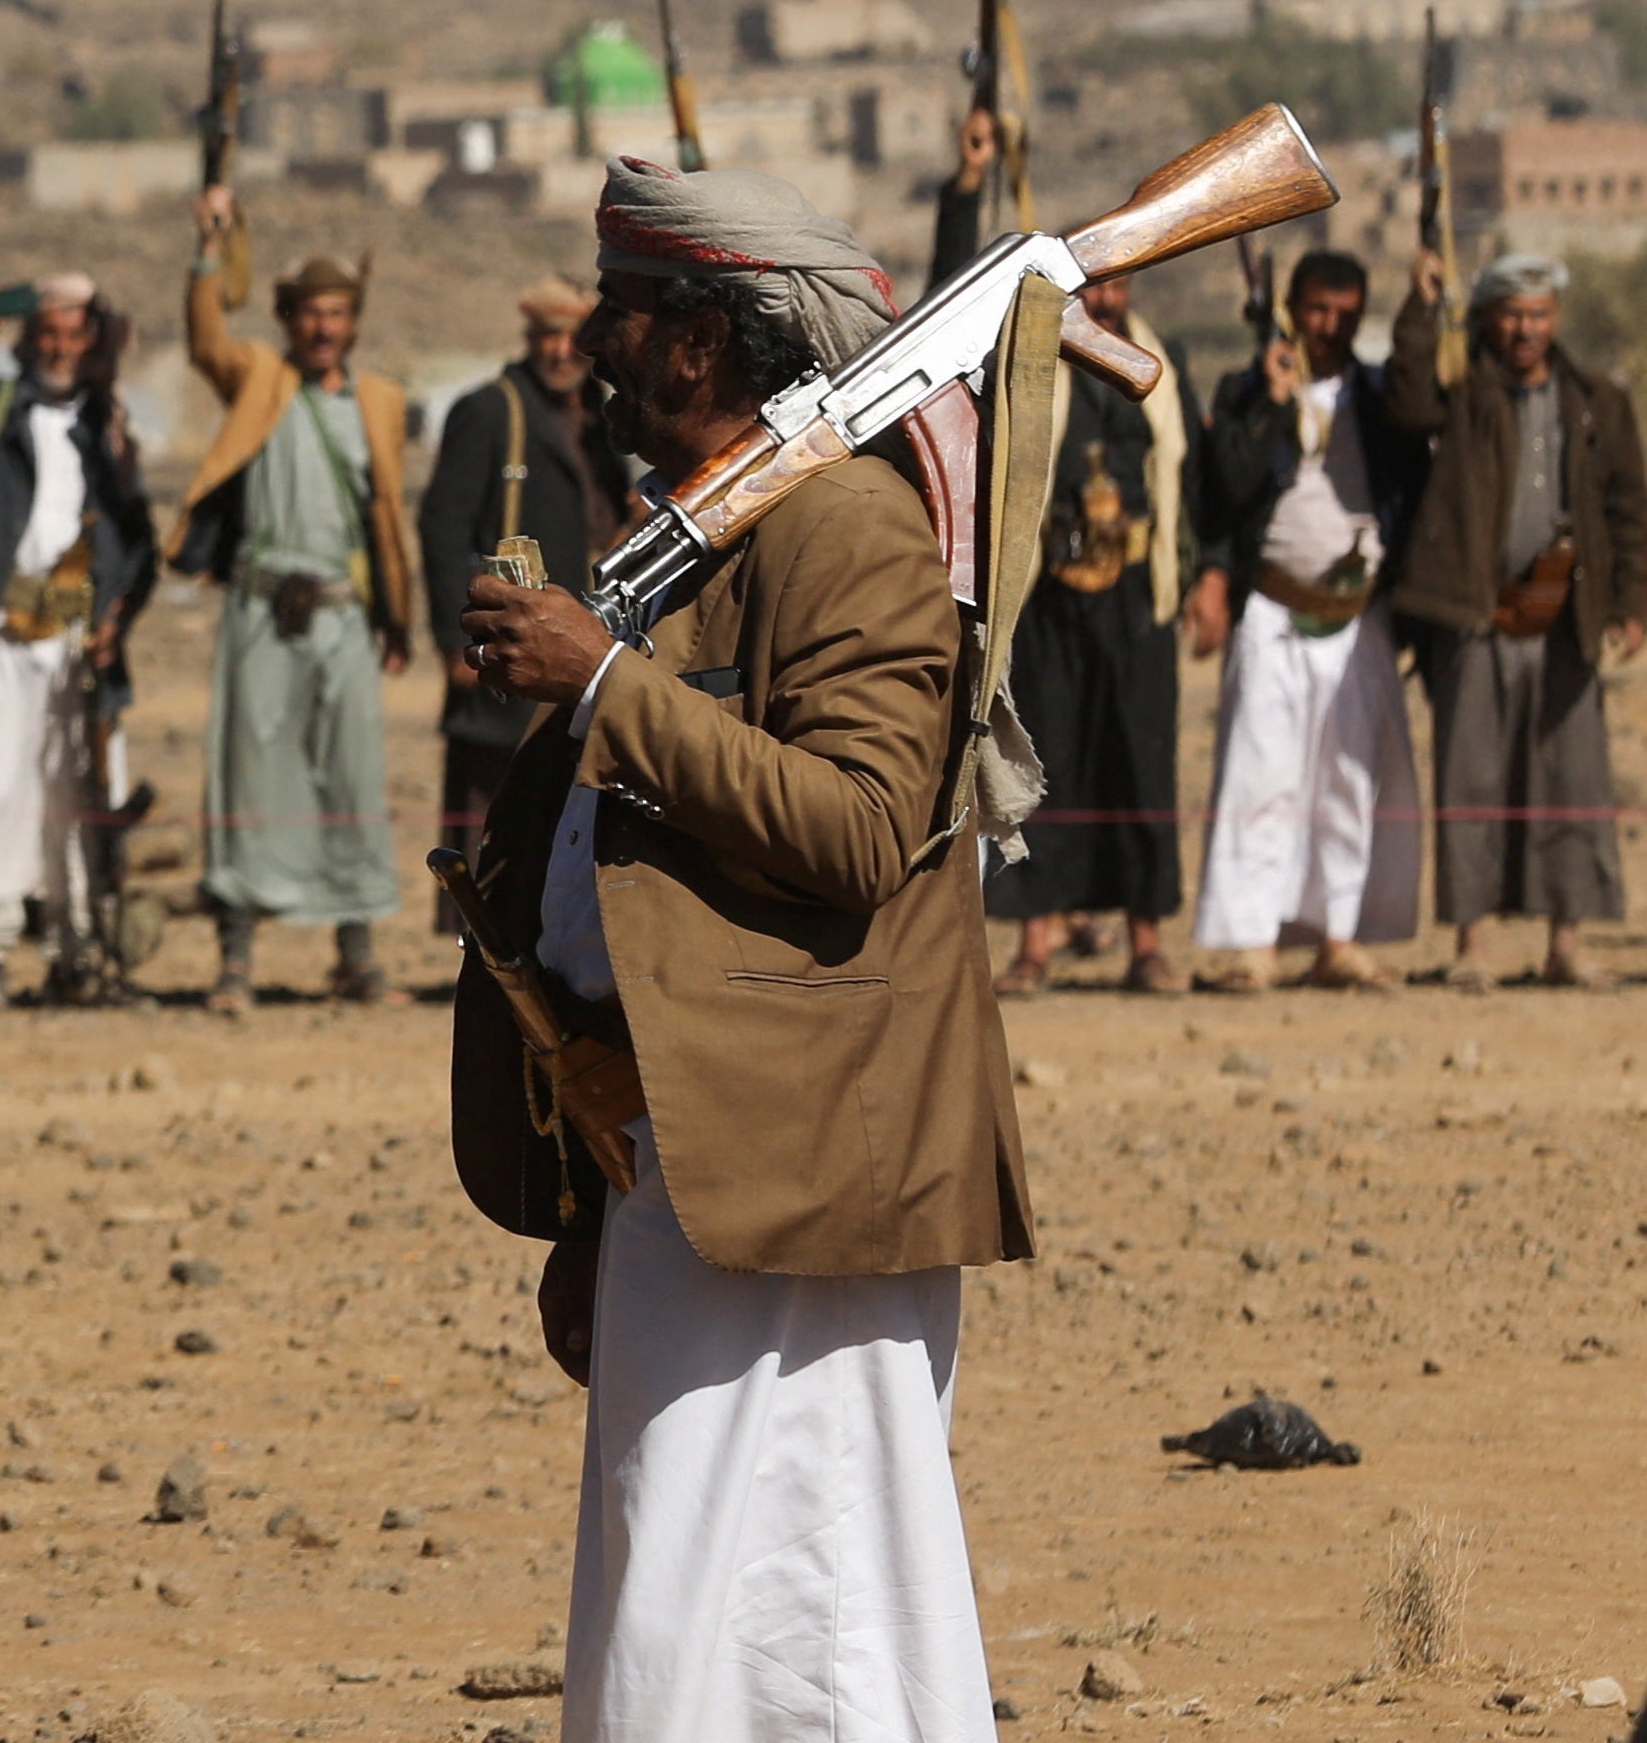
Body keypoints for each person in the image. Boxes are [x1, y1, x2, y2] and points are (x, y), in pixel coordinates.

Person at [451, 159, 1031, 1743]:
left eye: (622, 314)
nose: (594, 343)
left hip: (802, 1160)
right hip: (686, 1162)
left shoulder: (843, 530)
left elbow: (854, 827)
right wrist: (589, 1201)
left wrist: (597, 685)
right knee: (687, 1595)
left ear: (702, 341)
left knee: (810, 1600)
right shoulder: (710, 531)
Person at [175, 184, 422, 1010]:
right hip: (259, 607)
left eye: (337, 314)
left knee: (351, 779)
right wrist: (212, 249)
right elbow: (206, 338)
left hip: (342, 615)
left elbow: (386, 519)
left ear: (354, 322)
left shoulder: (379, 401)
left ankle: (356, 955)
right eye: (310, 313)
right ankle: (236, 959)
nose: (323, 327)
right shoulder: (260, 378)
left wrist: (398, 615)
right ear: (289, 320)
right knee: (248, 778)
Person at [1372, 249, 1645, 988]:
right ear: (1489, 318)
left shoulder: (1596, 402)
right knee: (1472, 778)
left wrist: (1629, 607)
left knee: (1574, 779)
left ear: (1555, 318)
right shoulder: (1462, 392)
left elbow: (1627, 512)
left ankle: (1568, 943)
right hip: (1476, 616)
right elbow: (1405, 402)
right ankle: (1475, 948)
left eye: (1539, 314)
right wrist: (1422, 308)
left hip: (1566, 620)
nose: (1526, 328)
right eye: (1512, 314)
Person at [0, 276, 156, 1007]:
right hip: (0, 636)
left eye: (75, 334)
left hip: (78, 645)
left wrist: (117, 622)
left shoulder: (107, 425)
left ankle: (77, 952)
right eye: (49, 332)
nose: (60, 346)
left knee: (77, 801)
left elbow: (137, 540)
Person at [1183, 251, 1421, 989]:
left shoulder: (1381, 398)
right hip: (1274, 610)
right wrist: (1273, 404)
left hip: (1356, 617)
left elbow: (1422, 435)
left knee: (1349, 782)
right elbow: (1223, 488)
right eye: (1318, 310)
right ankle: (1253, 945)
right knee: (1261, 778)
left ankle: (1337, 937)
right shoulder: (1248, 390)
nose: (1331, 326)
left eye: (1345, 314)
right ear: (1292, 307)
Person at [986, 269, 1192, 992]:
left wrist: (1207, 577)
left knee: (1140, 763)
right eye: (1092, 288)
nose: (1106, 301)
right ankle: (1034, 944)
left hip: (1136, 596)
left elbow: (1184, 480)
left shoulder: (1158, 364)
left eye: (1118, 286)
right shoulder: (1038, 363)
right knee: (1045, 765)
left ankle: (1146, 942)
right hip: (1052, 595)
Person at [415, 281, 624, 928]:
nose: (560, 351)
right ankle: (480, 941)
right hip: (505, 639)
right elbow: (444, 528)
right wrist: (457, 641)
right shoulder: (490, 411)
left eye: (571, 338)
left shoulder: (605, 420)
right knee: (490, 797)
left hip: (585, 645)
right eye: (547, 338)